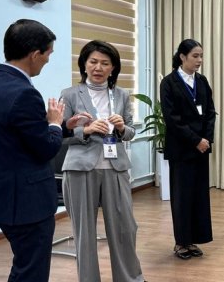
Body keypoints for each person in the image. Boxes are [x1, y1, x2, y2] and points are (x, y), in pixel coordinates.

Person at [59, 40, 145, 282]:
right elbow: (59, 135)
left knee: (125, 228)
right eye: (93, 62)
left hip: (115, 167)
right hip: (79, 168)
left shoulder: (121, 95)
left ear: (113, 68)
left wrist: (120, 128)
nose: (98, 67)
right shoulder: (69, 94)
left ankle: (130, 278)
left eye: (105, 63)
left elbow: (130, 132)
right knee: (84, 232)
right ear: (84, 65)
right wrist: (84, 132)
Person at [0, 19, 64, 281]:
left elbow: (16, 135)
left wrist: (60, 125)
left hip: (2, 197)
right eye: (48, 55)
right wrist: (54, 124)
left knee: (23, 265)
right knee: (31, 271)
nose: (47, 61)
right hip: (28, 202)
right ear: (35, 54)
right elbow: (44, 148)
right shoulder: (24, 93)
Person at [160, 39, 216, 260]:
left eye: (201, 56)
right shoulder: (169, 83)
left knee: (199, 196)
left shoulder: (202, 81)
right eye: (195, 56)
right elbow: (172, 120)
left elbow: (210, 112)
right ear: (182, 57)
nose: (199, 60)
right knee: (182, 196)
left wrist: (207, 139)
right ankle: (181, 242)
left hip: (201, 148)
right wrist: (196, 140)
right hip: (182, 149)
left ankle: (194, 239)